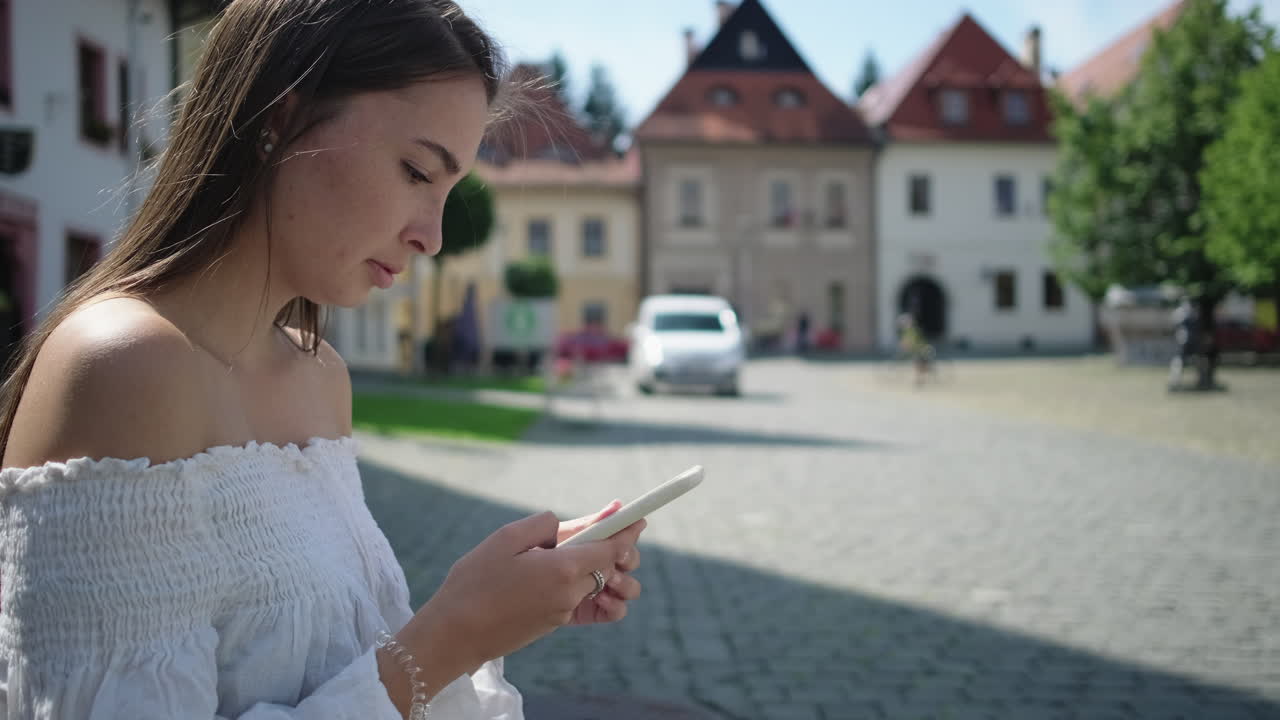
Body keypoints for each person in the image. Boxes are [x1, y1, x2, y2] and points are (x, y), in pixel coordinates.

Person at [0, 2, 645, 718]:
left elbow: (344, 674)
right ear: (281, 119)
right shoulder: (125, 367)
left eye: (448, 191)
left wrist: (502, 603)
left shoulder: (320, 378)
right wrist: (455, 632)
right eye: (415, 171)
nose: (432, 237)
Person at [1168, 298, 1200, 390]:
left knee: (1196, 360)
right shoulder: (1180, 312)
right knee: (1178, 361)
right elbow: (1175, 324)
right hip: (1182, 341)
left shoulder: (1193, 312)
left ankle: (1199, 380)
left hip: (1192, 341)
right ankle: (1175, 381)